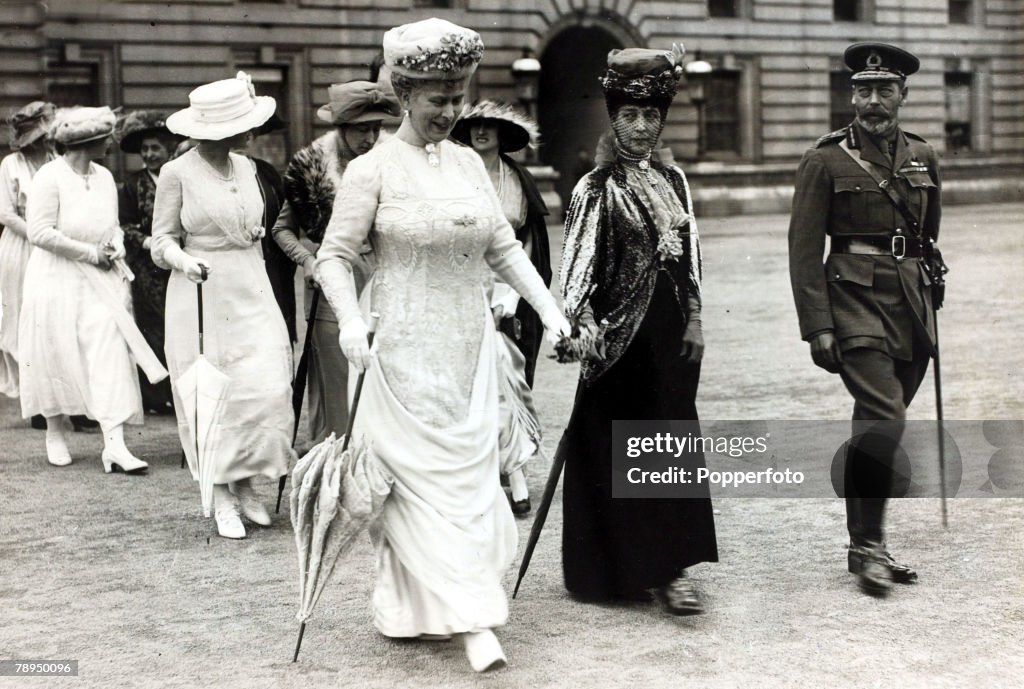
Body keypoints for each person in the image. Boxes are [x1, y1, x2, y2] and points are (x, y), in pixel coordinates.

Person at [314, 18, 570, 672]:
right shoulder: (372, 171)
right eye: (437, 100)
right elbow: (334, 258)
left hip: (468, 345)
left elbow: (503, 248)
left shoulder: (465, 163)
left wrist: (551, 308)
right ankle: (475, 620)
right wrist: (348, 321)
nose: (450, 111)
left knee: (469, 479)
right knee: (413, 483)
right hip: (398, 345)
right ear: (404, 94)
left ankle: (408, 607)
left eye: (458, 98)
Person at [556, 45, 718, 615]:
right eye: (629, 115)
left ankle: (672, 570)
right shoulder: (595, 188)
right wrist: (582, 324)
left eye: (651, 115)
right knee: (613, 449)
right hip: (617, 338)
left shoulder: (674, 180)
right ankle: (614, 572)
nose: (641, 126)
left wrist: (696, 317)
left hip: (670, 336)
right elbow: (576, 267)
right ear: (613, 117)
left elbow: (690, 255)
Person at [788, 43, 941, 597]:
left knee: (873, 424)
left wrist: (928, 286)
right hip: (852, 301)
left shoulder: (924, 156)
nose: (872, 101)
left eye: (884, 90)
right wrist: (817, 325)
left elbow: (928, 237)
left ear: (903, 94)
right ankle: (870, 546)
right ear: (851, 94)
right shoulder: (824, 159)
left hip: (909, 307)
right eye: (862, 90)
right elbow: (804, 250)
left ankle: (864, 543)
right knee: (887, 417)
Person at [152, 72, 296, 540]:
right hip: (200, 291)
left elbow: (253, 222)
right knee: (213, 391)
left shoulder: (249, 168)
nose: (250, 132)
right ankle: (219, 494)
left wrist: (251, 232)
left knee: (266, 384)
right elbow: (161, 240)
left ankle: (247, 481)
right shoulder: (176, 173)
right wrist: (184, 259)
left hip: (251, 285)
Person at [20, 106, 164, 472]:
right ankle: (55, 431)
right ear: (88, 142)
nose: (110, 144)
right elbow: (39, 232)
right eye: (104, 139)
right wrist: (89, 252)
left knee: (110, 351)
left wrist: (114, 244)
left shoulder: (103, 176)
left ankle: (114, 444)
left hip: (102, 279)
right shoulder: (49, 177)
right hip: (56, 278)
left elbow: (113, 225)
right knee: (57, 351)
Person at [273, 80, 399, 443]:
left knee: (382, 369)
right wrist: (310, 262)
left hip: (382, 276)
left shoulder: (389, 161)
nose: (370, 138)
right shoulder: (309, 166)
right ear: (341, 128)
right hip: (330, 282)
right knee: (336, 373)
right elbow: (282, 230)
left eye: (376, 128)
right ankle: (337, 454)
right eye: (361, 130)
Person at [450, 100, 551, 515]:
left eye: (489, 127)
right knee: (468, 385)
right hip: (463, 282)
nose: (481, 133)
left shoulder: (516, 178)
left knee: (510, 378)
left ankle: (515, 471)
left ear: (502, 135)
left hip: (507, 287)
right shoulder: (452, 173)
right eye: (474, 127)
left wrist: (511, 296)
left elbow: (525, 240)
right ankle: (483, 474)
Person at [117, 110, 182, 415]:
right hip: (146, 268)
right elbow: (125, 224)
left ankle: (181, 390)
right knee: (152, 328)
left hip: (179, 263)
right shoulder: (132, 185)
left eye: (155, 148)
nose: (149, 154)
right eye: (145, 150)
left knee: (180, 326)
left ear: (169, 149)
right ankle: (155, 396)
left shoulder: (180, 178)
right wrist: (148, 242)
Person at [0, 101, 56, 400]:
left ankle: (54, 390)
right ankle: (30, 394)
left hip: (53, 245)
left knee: (52, 315)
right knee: (21, 314)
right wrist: (37, 234)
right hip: (21, 247)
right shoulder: (11, 165)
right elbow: (6, 214)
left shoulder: (56, 160)